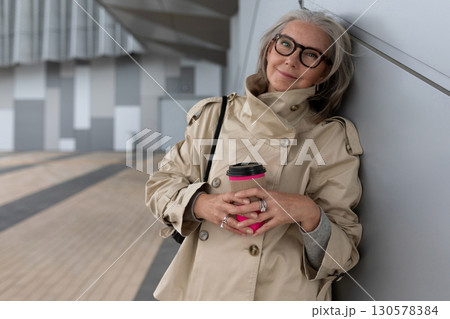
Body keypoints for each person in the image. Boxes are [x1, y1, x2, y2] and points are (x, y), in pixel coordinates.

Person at [145, 9, 363, 301]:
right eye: (285, 44)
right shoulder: (215, 115)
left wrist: (306, 211)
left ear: (325, 71)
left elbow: (343, 252)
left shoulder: (330, 136)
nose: (291, 60)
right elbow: (161, 185)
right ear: (269, 48)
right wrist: (202, 203)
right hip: (205, 292)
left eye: (310, 55)